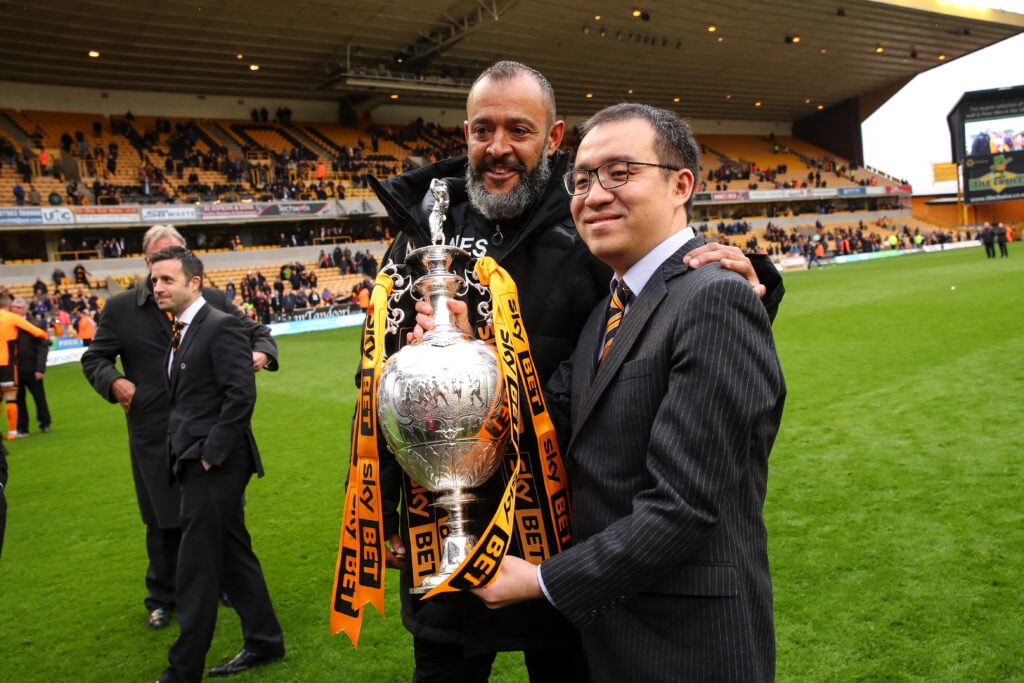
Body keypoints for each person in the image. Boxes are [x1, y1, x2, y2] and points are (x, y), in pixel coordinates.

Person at [343, 60, 783, 681]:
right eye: (482, 130)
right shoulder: (421, 236)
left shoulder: (594, 232)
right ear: (465, 134)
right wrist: (379, 505)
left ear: (552, 138)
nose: (498, 147)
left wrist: (755, 280)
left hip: (567, 535)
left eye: (518, 130)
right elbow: (382, 383)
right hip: (445, 528)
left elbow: (678, 296)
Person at [472, 103, 786, 681]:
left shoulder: (714, 299)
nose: (594, 194)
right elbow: (543, 427)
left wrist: (542, 580)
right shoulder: (609, 311)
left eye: (620, 173)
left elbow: (684, 507)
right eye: (584, 178)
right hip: (612, 635)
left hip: (690, 647)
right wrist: (458, 359)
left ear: (680, 185)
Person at [81, 225, 278, 633]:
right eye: (158, 262)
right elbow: (94, 359)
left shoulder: (213, 301)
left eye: (176, 256)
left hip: (206, 435)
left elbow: (255, 332)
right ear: (146, 262)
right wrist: (114, 381)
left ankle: (225, 592)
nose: (163, 274)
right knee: (161, 520)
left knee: (222, 518)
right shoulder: (120, 309)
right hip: (153, 432)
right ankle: (162, 596)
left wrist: (261, 352)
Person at [148, 246, 284, 682]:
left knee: (196, 568)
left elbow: (240, 395)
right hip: (195, 462)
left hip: (215, 466)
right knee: (232, 556)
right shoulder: (185, 329)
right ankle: (265, 641)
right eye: (154, 280)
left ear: (194, 282)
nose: (158, 287)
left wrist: (210, 456)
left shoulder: (219, 326)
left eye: (167, 279)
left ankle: (182, 670)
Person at [0, 296, 50, 440]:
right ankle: (20, 428)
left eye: (18, 307)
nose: (15, 309)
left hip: (31, 368)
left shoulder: (36, 323)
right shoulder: (10, 320)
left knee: (39, 397)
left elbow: (42, 348)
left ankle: (45, 423)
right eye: (13, 307)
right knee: (16, 399)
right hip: (13, 368)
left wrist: (40, 369)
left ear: (26, 309)